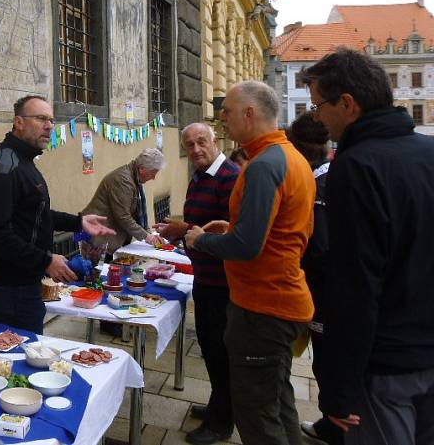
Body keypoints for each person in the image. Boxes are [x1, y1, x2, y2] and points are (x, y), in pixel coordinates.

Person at [300, 49, 434, 444]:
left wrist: (337, 390)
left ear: (347, 104)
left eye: (319, 105)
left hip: (386, 367)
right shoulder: (429, 153)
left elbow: (355, 285)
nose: (316, 117)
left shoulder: (356, 166)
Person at [185, 81, 315, 445]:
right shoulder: (288, 156)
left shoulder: (262, 164)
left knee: (256, 413)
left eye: (227, 110)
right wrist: (234, 227)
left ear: (249, 113)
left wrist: (201, 239)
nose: (222, 117)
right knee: (276, 401)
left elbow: (246, 246)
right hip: (279, 300)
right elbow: (278, 230)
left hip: (264, 306)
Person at [0, 95, 115, 334]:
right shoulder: (4, 165)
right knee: (20, 352)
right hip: (12, 284)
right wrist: (46, 260)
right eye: (41, 118)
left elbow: (35, 213)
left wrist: (78, 222)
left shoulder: (24, 160)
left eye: (51, 120)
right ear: (18, 122)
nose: (49, 126)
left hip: (26, 279)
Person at [154, 123, 240, 445]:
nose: (195, 150)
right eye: (189, 145)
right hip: (204, 277)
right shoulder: (200, 176)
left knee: (220, 351)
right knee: (210, 348)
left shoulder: (229, 177)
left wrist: (185, 230)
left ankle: (221, 423)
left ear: (214, 139)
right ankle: (218, 404)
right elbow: (201, 225)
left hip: (223, 282)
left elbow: (228, 232)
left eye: (201, 142)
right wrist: (182, 230)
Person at [286, 113, 341, 445]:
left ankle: (333, 426)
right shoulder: (332, 175)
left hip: (324, 294)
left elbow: (319, 246)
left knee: (327, 360)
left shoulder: (318, 185)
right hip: (334, 291)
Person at [81, 148, 166, 253]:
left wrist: (148, 233)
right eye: (153, 173)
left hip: (106, 236)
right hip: (97, 238)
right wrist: (147, 236)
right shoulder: (123, 181)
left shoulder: (133, 178)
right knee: (97, 269)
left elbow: (135, 212)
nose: (153, 177)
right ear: (141, 169)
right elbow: (123, 217)